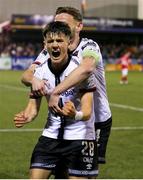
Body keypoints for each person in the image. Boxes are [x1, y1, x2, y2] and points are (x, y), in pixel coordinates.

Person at [21, 7, 112, 165]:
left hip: (96, 118)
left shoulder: (89, 46)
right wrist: (34, 80)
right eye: (55, 23)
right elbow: (27, 75)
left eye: (63, 23)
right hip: (67, 119)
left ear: (79, 27)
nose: (58, 27)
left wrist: (55, 92)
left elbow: (87, 68)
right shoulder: (49, 49)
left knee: (86, 172)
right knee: (61, 168)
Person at [14, 21, 98, 179]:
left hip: (79, 140)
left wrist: (75, 114)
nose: (55, 45)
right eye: (50, 41)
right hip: (50, 139)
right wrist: (25, 117)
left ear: (68, 42)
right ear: (44, 44)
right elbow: (33, 109)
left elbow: (87, 112)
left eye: (59, 41)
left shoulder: (80, 73)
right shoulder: (39, 73)